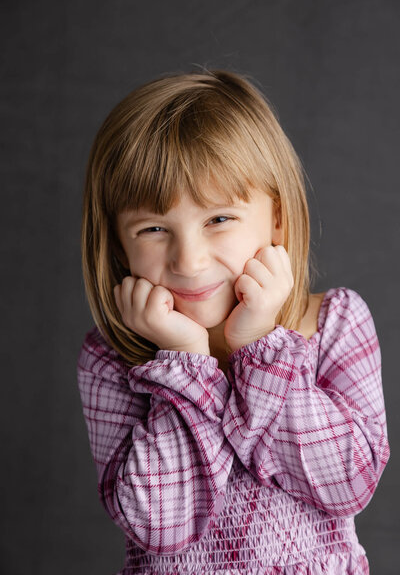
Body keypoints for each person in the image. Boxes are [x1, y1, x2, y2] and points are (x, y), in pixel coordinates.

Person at [77, 68, 390, 574]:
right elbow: (157, 526)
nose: (189, 260)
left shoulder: (335, 322)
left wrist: (261, 348)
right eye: (154, 229)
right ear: (118, 244)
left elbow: (348, 484)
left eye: (218, 219)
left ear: (278, 218)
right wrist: (185, 364)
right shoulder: (110, 358)